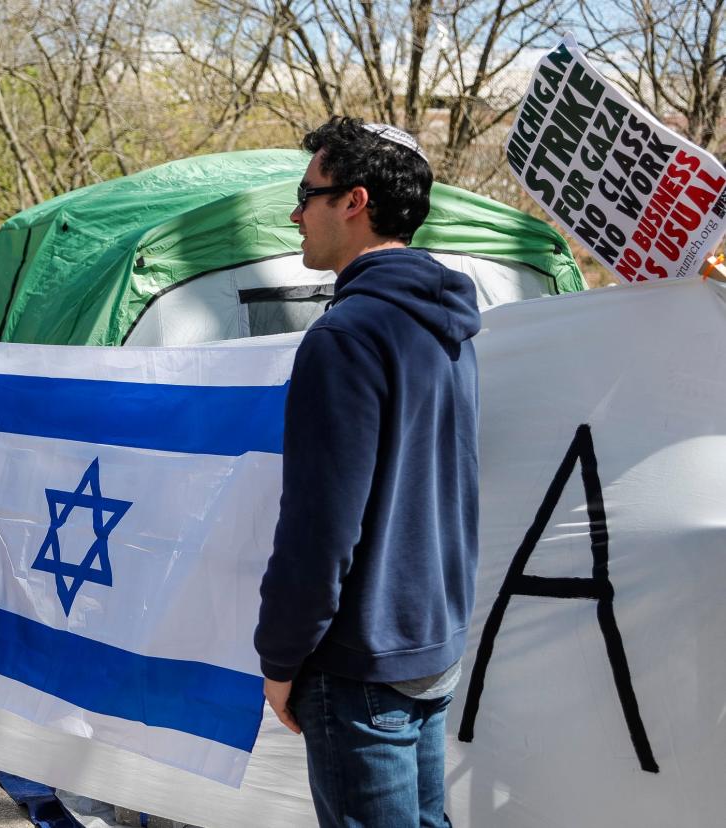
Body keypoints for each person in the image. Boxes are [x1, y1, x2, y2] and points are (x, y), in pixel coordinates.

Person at [253, 117, 482, 828]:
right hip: (429, 640)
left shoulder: (346, 336)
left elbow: (321, 526)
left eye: (306, 193)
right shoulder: (444, 322)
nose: (295, 214)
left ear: (353, 201)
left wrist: (280, 657)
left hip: (362, 661)